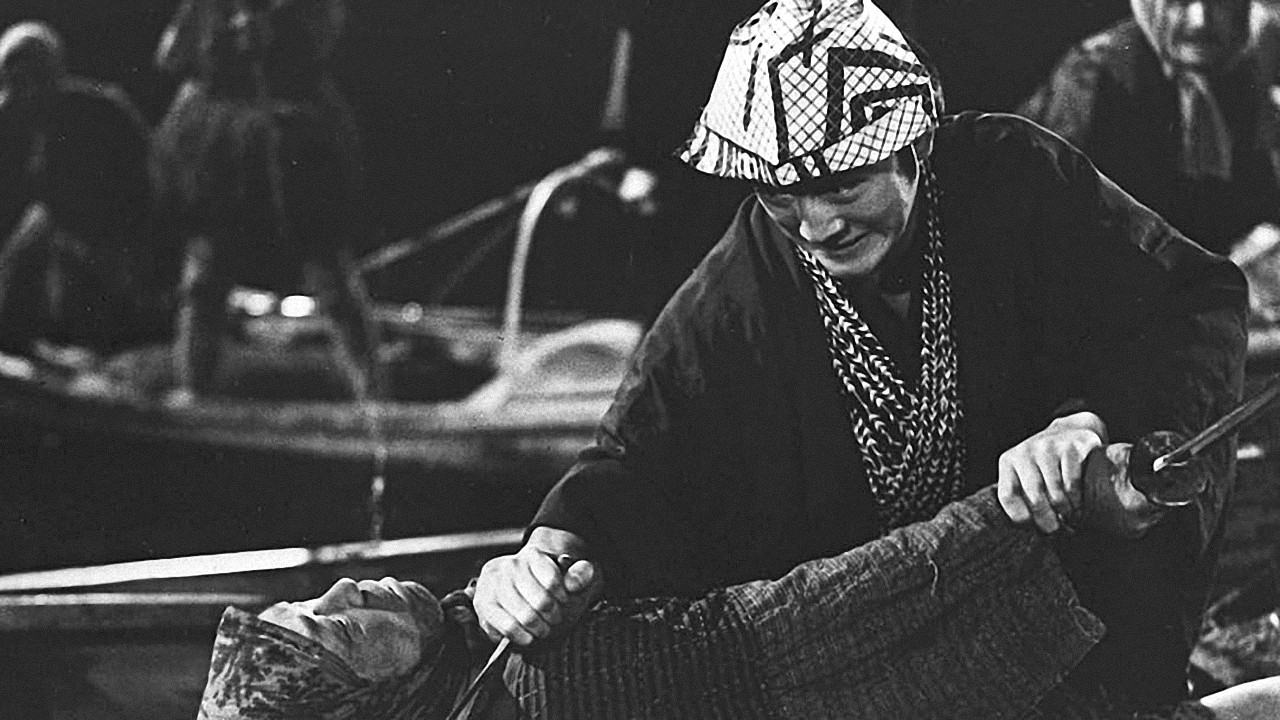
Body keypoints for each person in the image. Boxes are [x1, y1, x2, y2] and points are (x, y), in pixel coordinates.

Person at [471, 0, 1249, 716]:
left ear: (914, 145)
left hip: (1074, 636)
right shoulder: (750, 272)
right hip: (884, 667)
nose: (815, 227)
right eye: (781, 194)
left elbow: (1192, 302)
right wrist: (545, 557)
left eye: (842, 185)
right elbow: (636, 457)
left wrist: (1090, 422)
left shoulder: (1016, 175)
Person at [197, 481, 1280, 719]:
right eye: (337, 626)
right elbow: (822, 616)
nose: (346, 585)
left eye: (316, 595)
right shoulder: (555, 682)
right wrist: (1011, 512)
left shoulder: (495, 647)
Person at [150, 0, 382, 402]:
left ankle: (374, 394)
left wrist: (274, 35)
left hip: (292, 141)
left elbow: (322, 36)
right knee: (206, 277)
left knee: (329, 272)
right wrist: (211, 33)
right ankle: (195, 389)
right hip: (222, 152)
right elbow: (171, 57)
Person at [1018, 0, 1279, 261]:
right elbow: (1060, 226)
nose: (1200, 21)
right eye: (1179, 3)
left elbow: (1256, 195)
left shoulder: (1236, 72)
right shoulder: (1092, 76)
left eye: (1220, 3)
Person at [0, 21, 159, 356]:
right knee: (25, 248)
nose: (20, 93)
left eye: (28, 80)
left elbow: (139, 183)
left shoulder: (98, 112)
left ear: (51, 75)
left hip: (117, 228)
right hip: (71, 221)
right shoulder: (20, 111)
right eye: (12, 82)